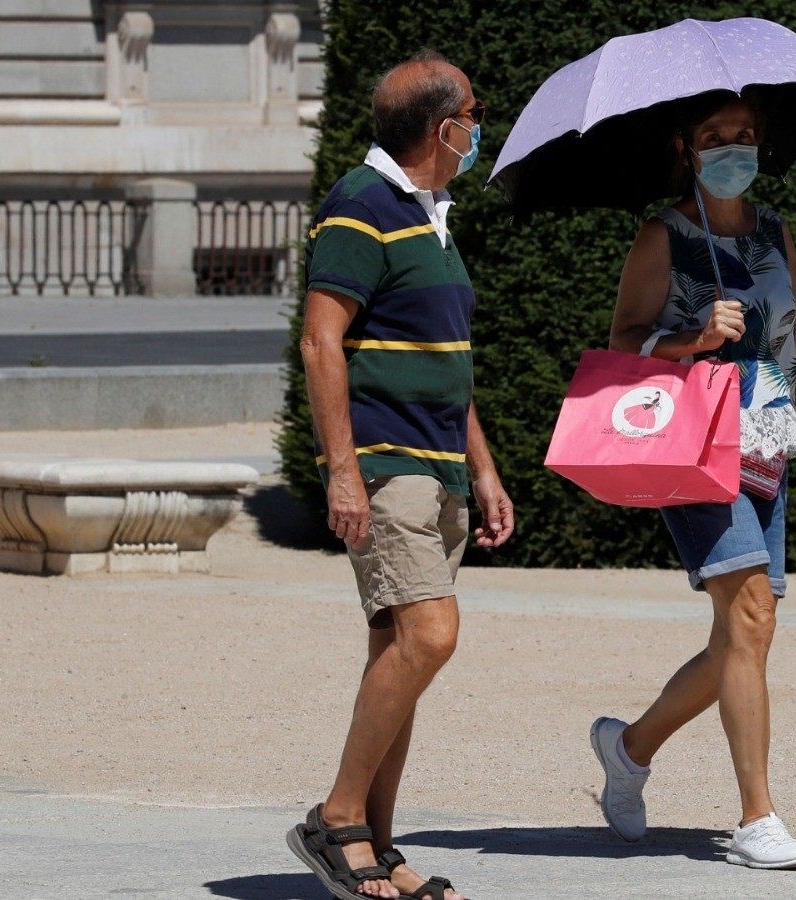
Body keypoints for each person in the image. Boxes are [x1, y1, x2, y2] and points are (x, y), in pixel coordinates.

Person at [590, 90, 796, 871]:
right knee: (748, 617)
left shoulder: (776, 231)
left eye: (744, 135)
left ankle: (630, 748)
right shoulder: (663, 235)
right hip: (692, 442)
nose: (732, 147)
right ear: (687, 148)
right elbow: (624, 343)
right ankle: (757, 818)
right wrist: (693, 337)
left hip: (768, 438)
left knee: (747, 631)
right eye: (715, 136)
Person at [288, 50, 512, 900]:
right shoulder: (361, 202)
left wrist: (483, 468)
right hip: (386, 465)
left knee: (399, 648)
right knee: (430, 636)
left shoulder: (434, 215)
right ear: (441, 125)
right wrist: (342, 473)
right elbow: (320, 342)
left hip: (438, 463)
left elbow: (446, 361)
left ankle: (377, 845)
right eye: (474, 112)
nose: (480, 127)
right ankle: (336, 818)